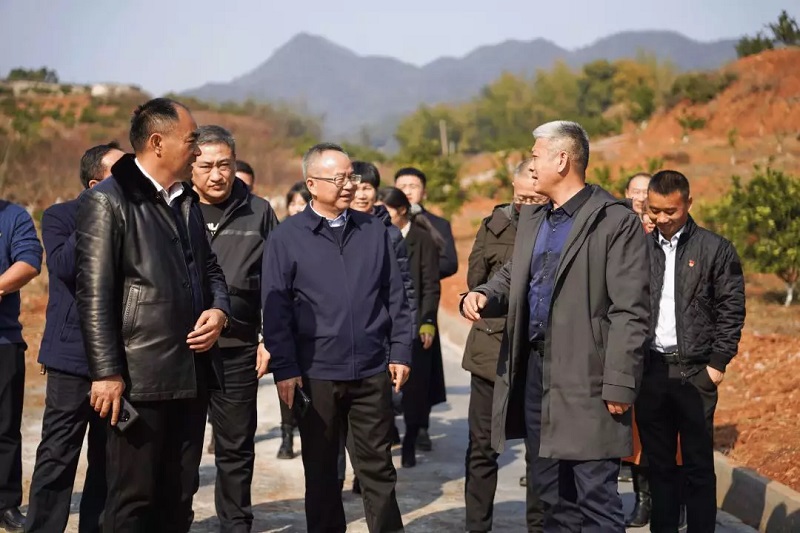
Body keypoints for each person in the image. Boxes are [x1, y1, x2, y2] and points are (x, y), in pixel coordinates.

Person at [461, 120, 650, 532]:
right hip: (537, 374)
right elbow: (514, 275)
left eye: (535, 156)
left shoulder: (612, 222)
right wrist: (483, 294)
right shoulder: (536, 219)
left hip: (587, 377)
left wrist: (620, 382)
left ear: (562, 160)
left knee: (595, 498)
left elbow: (630, 311)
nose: (531, 165)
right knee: (550, 498)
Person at [75, 97, 231, 532]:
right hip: (138, 378)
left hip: (192, 372)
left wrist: (219, 310)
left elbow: (211, 270)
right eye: (192, 140)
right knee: (133, 499)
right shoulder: (109, 201)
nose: (198, 150)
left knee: (179, 495)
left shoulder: (185, 199)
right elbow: (94, 294)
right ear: (158, 142)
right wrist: (106, 373)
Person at [262, 143, 412, 533]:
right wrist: (285, 368)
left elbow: (395, 295)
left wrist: (400, 350)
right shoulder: (286, 237)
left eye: (351, 176)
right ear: (312, 184)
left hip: (371, 369)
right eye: (338, 178)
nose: (349, 185)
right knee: (322, 472)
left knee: (378, 468)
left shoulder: (373, 230)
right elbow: (276, 311)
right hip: (316, 373)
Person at [636, 170, 745, 533]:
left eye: (671, 211)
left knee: (697, 466)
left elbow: (732, 309)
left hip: (695, 374)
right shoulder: (638, 247)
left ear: (688, 204)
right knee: (659, 467)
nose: (662, 218)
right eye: (654, 210)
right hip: (651, 372)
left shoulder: (715, 249)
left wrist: (716, 364)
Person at [25, 142, 124, 533]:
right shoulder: (61, 216)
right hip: (71, 356)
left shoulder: (137, 218)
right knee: (58, 453)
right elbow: (66, 266)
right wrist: (96, 213)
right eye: (121, 172)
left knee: (108, 456)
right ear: (95, 184)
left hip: (119, 358)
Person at [192, 125, 277, 532]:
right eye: (206, 165)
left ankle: (236, 523)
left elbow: (277, 282)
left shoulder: (258, 211)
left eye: (224, 164)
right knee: (180, 445)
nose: (217, 174)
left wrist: (269, 338)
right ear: (190, 167)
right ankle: (175, 517)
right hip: (181, 349)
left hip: (238, 347)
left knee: (236, 445)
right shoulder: (174, 207)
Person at [462, 159, 547, 533]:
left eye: (535, 198)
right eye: (522, 197)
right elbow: (476, 281)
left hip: (537, 353)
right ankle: (477, 526)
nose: (527, 204)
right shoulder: (492, 225)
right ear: (513, 186)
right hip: (492, 351)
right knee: (483, 446)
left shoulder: (557, 228)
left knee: (540, 450)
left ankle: (539, 526)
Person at [346, 161, 417, 494]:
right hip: (343, 340)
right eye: (357, 187)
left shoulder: (390, 234)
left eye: (368, 188)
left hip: (381, 338)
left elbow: (405, 290)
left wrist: (404, 339)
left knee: (379, 412)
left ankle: (367, 471)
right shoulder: (334, 230)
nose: (362, 194)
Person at [378, 186, 441, 468]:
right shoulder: (378, 235)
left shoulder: (422, 239)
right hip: (384, 324)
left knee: (414, 390)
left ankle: (410, 442)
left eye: (386, 210)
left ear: (401, 210)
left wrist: (427, 322)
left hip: (415, 323)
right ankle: (390, 433)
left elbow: (430, 285)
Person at [394, 166, 454, 451]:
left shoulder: (437, 224)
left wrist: (421, 271)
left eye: (413, 186)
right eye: (402, 185)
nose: (408, 191)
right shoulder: (383, 221)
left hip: (423, 302)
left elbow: (450, 262)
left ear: (424, 192)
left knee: (423, 372)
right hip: (395, 306)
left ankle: (422, 428)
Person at [0, 198, 43, 533]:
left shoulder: (13, 216)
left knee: (5, 427)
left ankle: (5, 504)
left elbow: (29, 261)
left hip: (3, 340)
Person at [621, 172, 654, 527]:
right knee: (636, 433)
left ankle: (672, 501)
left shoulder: (667, 235)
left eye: (648, 191)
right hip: (634, 344)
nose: (642, 197)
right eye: (637, 191)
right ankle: (642, 499)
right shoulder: (620, 232)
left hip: (665, 347)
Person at [273, 180, 313, 460]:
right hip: (289, 323)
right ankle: (287, 435)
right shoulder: (281, 235)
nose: (298, 208)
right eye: (293, 203)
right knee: (287, 380)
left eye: (303, 202)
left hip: (314, 325)